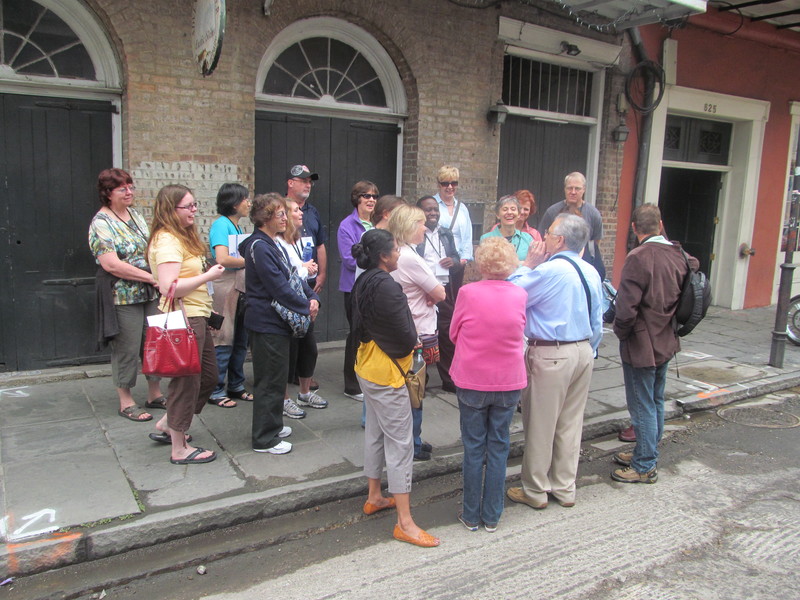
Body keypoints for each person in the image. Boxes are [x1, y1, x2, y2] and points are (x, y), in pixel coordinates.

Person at [351, 228, 440, 548]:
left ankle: (375, 495)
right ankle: (405, 523)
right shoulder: (388, 285)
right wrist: (414, 341)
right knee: (401, 444)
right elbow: (405, 336)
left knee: (375, 433)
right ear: (384, 256)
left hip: (367, 366)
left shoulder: (364, 278)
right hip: (389, 374)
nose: (400, 252)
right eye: (396, 249)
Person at [506, 214, 603, 508]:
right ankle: (564, 487)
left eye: (548, 233)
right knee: (570, 424)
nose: (543, 238)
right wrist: (590, 350)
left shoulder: (550, 271)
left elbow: (511, 293)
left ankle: (535, 491)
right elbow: (597, 320)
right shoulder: (590, 271)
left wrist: (526, 265)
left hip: (552, 352)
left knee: (540, 425)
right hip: (583, 350)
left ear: (559, 240)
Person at [611, 204, 698, 484]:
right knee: (656, 400)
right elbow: (693, 268)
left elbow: (625, 310)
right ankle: (646, 451)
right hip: (667, 340)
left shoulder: (638, 257)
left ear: (635, 228)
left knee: (642, 405)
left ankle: (645, 464)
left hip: (641, 344)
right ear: (660, 225)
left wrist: (620, 333)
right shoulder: (680, 254)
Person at [450, 237, 527, 532]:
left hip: (472, 379)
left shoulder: (468, 293)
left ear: (482, 263)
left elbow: (455, 333)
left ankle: (471, 515)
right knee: (498, 446)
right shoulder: (519, 294)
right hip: (508, 381)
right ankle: (492, 515)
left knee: (473, 447)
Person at [147, 184, 225, 464]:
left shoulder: (181, 237)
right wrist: (208, 276)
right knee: (186, 383)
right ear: (171, 209)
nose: (194, 210)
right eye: (188, 206)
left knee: (208, 378)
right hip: (184, 320)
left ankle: (170, 423)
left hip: (196, 316)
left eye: (194, 205)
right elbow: (169, 286)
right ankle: (179, 448)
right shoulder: (167, 240)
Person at [240, 194, 320, 455]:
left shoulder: (272, 243)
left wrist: (311, 297)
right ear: (264, 218)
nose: (285, 218)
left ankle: (273, 425)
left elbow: (293, 278)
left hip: (277, 322)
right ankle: (264, 438)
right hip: (266, 322)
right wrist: (305, 307)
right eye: (279, 214)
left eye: (285, 213)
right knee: (269, 381)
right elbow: (278, 287)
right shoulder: (260, 246)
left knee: (276, 376)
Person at [89, 168, 166, 422]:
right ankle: (126, 400)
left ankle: (154, 393)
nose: (129, 192)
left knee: (154, 342)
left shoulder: (134, 215)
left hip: (149, 291)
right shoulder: (101, 223)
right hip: (123, 294)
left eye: (131, 187)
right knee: (127, 346)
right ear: (108, 193)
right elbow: (111, 264)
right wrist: (150, 277)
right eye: (123, 189)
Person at [387, 205, 446, 461]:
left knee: (410, 389)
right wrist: (431, 293)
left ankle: (414, 439)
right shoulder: (409, 257)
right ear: (409, 227)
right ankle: (413, 443)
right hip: (417, 331)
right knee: (415, 390)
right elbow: (440, 293)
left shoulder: (398, 252)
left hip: (406, 327)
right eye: (420, 223)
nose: (425, 227)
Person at [277, 196, 327, 418]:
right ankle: (284, 399)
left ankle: (304, 393)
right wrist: (306, 269)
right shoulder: (276, 243)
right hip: (288, 306)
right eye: (296, 211)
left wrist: (313, 295)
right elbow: (286, 276)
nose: (301, 214)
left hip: (304, 301)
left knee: (309, 349)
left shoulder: (297, 239)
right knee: (287, 354)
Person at [207, 183, 252, 409]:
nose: (249, 203)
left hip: (240, 288)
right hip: (225, 288)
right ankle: (216, 389)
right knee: (223, 338)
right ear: (234, 203)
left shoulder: (236, 227)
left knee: (240, 340)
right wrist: (252, 260)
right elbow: (222, 259)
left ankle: (236, 384)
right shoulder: (220, 226)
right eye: (245, 199)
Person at [286, 165, 326, 390]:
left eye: (310, 181)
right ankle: (289, 377)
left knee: (307, 332)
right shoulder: (278, 209)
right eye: (303, 180)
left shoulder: (312, 211)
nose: (308, 184)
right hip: (288, 285)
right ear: (291, 183)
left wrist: (322, 273)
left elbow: (320, 244)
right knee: (290, 333)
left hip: (308, 282)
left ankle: (303, 377)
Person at [415, 195, 460, 393]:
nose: (433, 213)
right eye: (428, 210)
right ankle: (420, 380)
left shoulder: (446, 233)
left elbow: (457, 258)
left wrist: (453, 261)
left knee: (447, 338)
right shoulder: (416, 235)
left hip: (444, 292)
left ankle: (449, 379)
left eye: (435, 209)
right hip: (422, 295)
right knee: (422, 339)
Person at [338, 181, 378, 402]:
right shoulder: (347, 225)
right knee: (356, 334)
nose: (371, 199)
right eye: (366, 196)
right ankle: (351, 386)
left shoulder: (377, 223)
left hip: (374, 285)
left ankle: (368, 377)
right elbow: (348, 259)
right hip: (354, 287)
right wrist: (377, 261)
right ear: (357, 199)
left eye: (374, 196)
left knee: (370, 334)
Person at [538, 172, 605, 279]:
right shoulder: (552, 212)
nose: (573, 192)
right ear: (564, 189)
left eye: (577, 188)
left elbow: (595, 242)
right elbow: (542, 238)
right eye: (570, 188)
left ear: (584, 189)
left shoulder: (593, 214)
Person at [433, 165, 473, 270]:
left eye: (454, 183)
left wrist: (464, 259)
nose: (450, 187)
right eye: (445, 183)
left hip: (458, 262)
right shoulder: (431, 205)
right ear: (439, 184)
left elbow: (467, 236)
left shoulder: (462, 208)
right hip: (438, 261)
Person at [480, 195, 534, 261]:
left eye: (513, 209)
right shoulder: (486, 239)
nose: (509, 212)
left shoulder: (527, 238)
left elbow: (533, 262)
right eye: (505, 209)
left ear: (519, 214)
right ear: (497, 215)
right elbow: (484, 265)